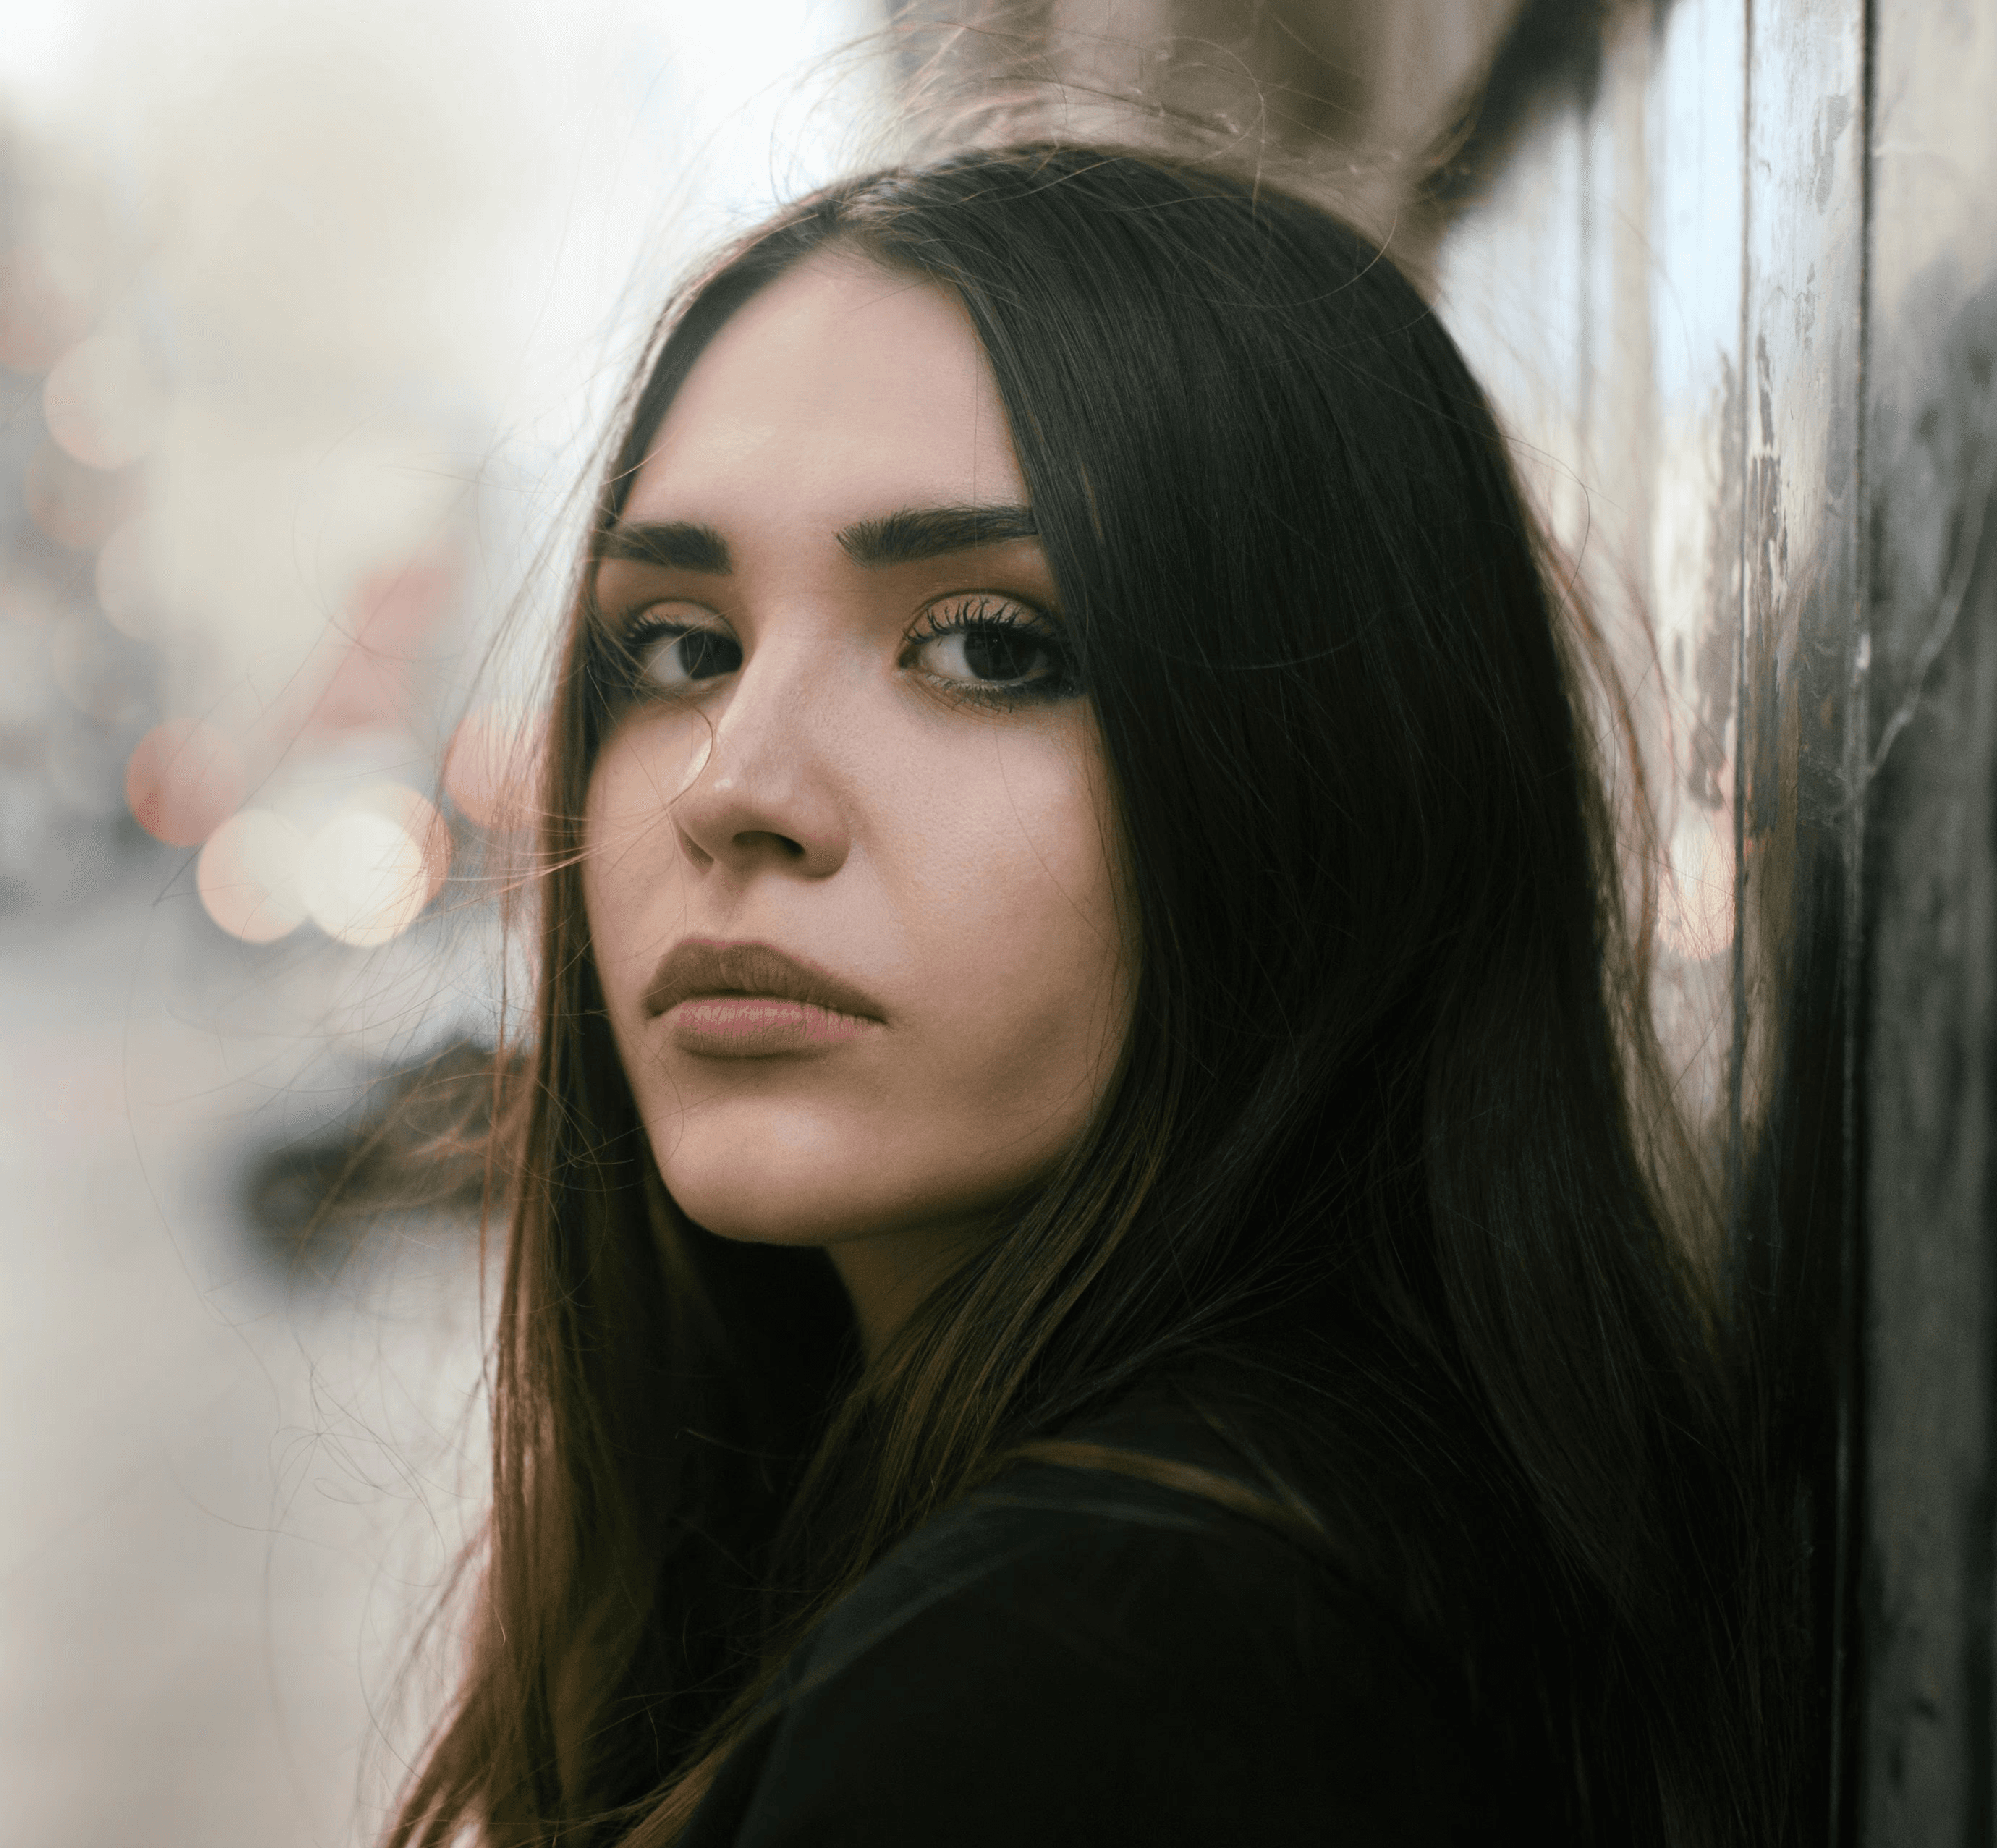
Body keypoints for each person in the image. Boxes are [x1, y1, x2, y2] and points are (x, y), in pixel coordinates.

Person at [389, 143, 1803, 1847]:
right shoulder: (1324, 1540)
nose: (732, 782)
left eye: (989, 644)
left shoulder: (1099, 1668)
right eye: (683, 644)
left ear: (1329, 780)